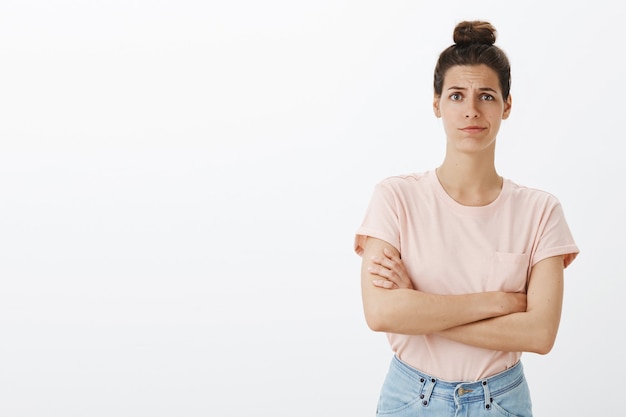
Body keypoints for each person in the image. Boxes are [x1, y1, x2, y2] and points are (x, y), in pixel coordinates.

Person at [354, 20, 579, 417]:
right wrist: (498, 303)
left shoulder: (541, 211)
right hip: (411, 398)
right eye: (457, 95)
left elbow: (540, 334)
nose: (471, 111)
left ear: (507, 106)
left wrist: (420, 310)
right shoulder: (395, 198)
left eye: (487, 96)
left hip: (502, 401)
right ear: (436, 103)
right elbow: (381, 313)